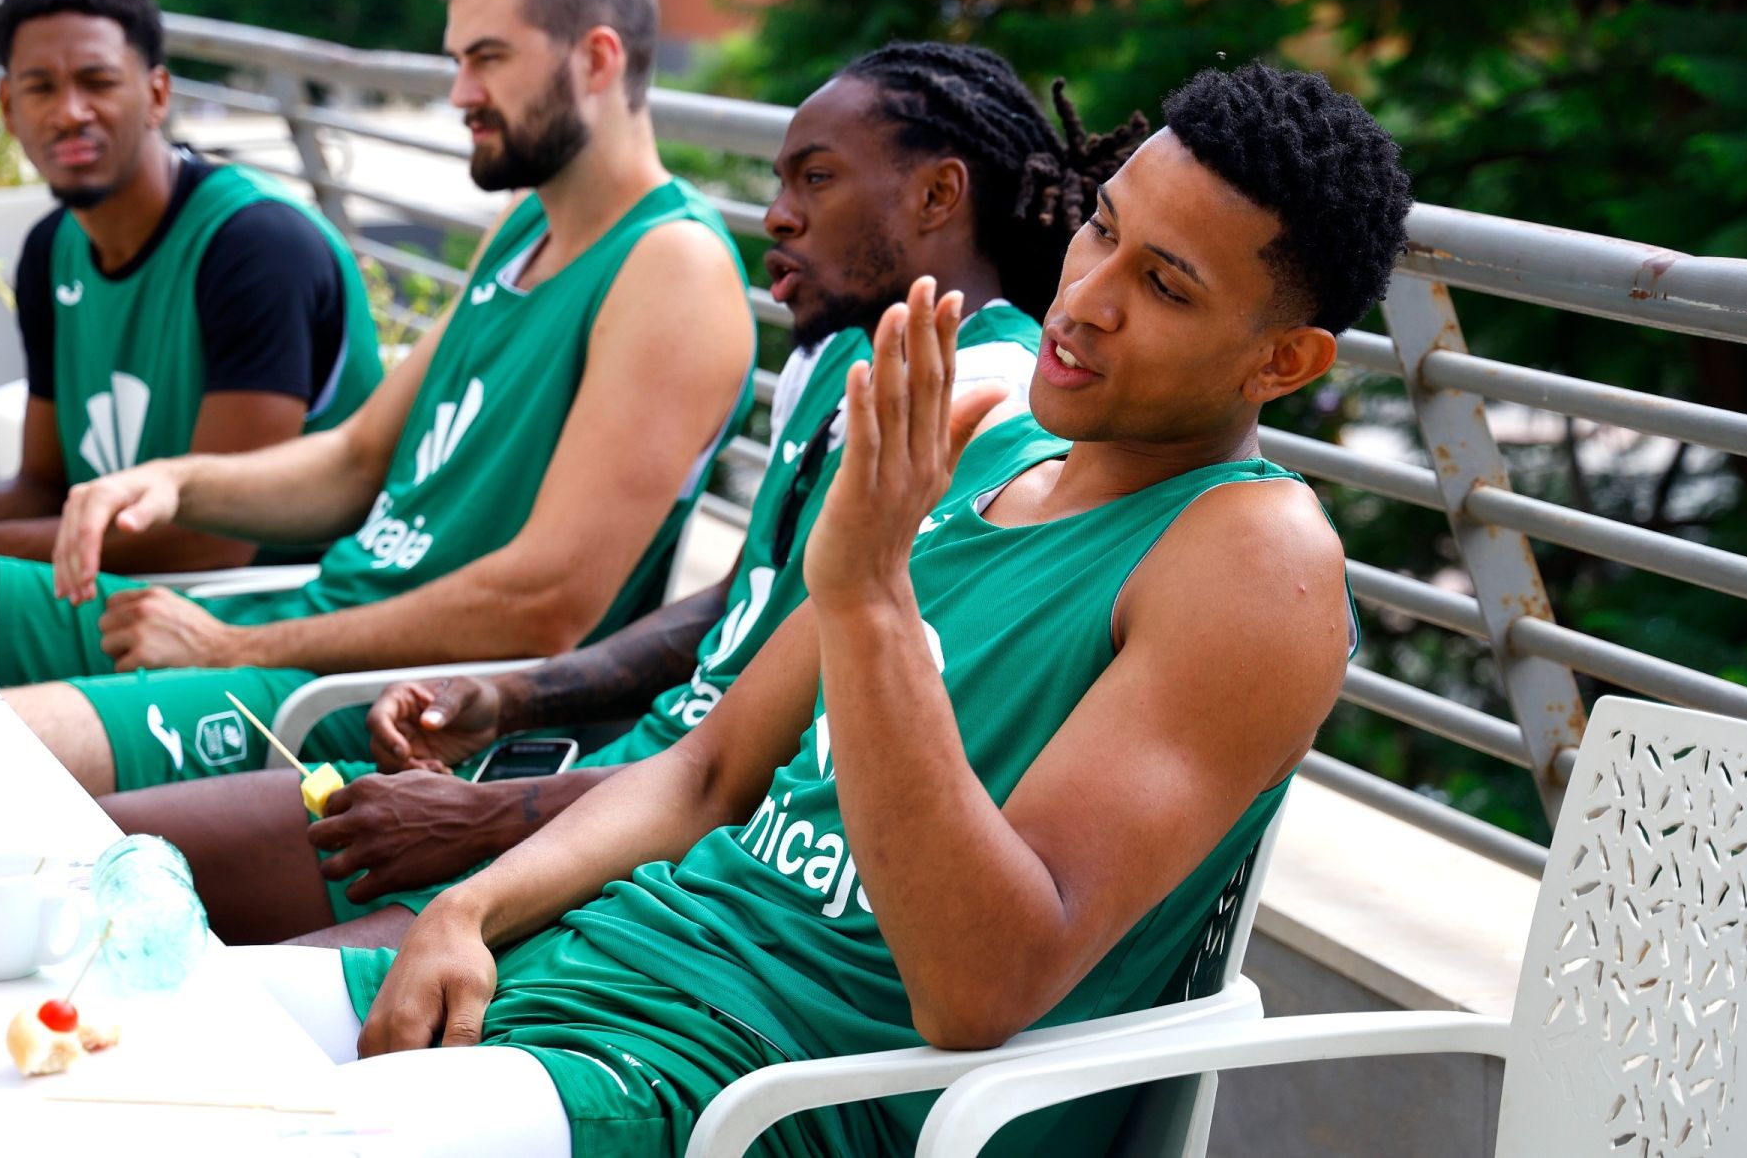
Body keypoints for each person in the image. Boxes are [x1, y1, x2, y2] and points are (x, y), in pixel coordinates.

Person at [235, 61, 1411, 1157]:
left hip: (767, 1088)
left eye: (1163, 284)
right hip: (603, 971)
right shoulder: (979, 455)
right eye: (1103, 226)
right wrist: (466, 909)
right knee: (117, 1034)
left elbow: (977, 985)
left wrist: (867, 600)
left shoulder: (1253, 556)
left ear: (1283, 363)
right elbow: (707, 775)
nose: (1087, 298)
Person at [106, 42, 1154, 951]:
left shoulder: (984, 412)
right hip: (603, 780)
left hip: (662, 859)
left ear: (936, 196)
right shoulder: (844, 363)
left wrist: (494, 822)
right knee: (101, 859)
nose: (774, 216)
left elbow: (803, 745)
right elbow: (758, 604)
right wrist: (514, 696)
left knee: (207, 992)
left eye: (815, 179)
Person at [0, 0, 758, 798]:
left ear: (597, 59)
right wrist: (175, 481)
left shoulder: (673, 266)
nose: (459, 93)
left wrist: (237, 647)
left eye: (487, 58)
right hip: (316, 619)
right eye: (456, 62)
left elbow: (546, 603)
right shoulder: (527, 226)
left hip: (393, 701)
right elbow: (355, 457)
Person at [0, 0, 383, 573]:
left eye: (97, 81)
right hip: (121, 585)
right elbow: (43, 488)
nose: (70, 111)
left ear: (156, 94)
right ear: (9, 107)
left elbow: (217, 542)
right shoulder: (51, 250)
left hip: (270, 601)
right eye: (41, 87)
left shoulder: (256, 245)